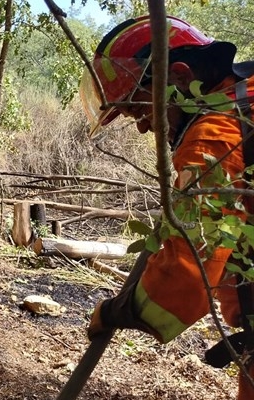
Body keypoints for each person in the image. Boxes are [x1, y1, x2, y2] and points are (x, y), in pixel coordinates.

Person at [80, 15, 254, 398]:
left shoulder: (215, 137)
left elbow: (189, 272)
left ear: (176, 76)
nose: (144, 127)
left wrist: (116, 311)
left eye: (139, 109)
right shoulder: (244, 106)